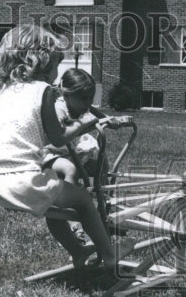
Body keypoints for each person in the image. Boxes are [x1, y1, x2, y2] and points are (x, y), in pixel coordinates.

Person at [0, 24, 120, 277]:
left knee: (58, 204)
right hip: (24, 180)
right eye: (56, 64)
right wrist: (84, 123)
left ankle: (78, 252)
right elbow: (57, 138)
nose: (57, 72)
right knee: (84, 201)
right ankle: (110, 257)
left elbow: (31, 130)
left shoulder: (1, 91)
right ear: (40, 61)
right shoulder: (42, 90)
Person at [42, 68, 132, 245]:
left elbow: (103, 118)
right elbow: (57, 137)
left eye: (91, 98)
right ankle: (73, 222)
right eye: (83, 98)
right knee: (71, 169)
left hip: (69, 152)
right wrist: (85, 125)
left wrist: (115, 121)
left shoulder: (84, 106)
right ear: (66, 94)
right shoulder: (59, 109)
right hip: (49, 153)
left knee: (99, 163)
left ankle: (104, 211)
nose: (88, 103)